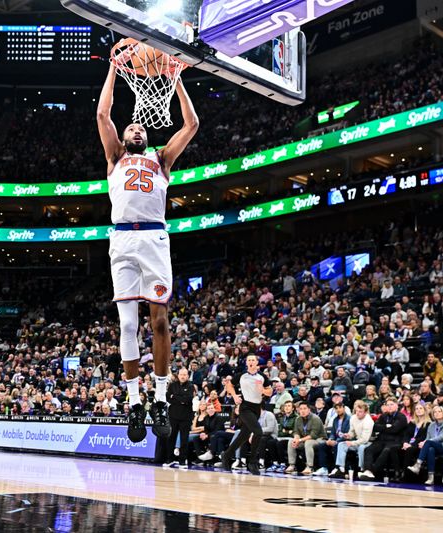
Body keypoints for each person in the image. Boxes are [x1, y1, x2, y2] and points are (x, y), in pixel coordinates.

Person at [97, 52, 199, 443]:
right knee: (126, 324)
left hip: (155, 237)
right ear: (123, 138)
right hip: (122, 238)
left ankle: (158, 396)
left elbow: (191, 124)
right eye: (131, 127)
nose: (137, 129)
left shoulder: (161, 159)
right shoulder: (114, 159)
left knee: (159, 321)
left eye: (141, 127)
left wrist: (175, 79)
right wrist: (113, 67)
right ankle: (134, 401)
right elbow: (103, 115)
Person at [220, 355, 272, 475]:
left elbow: (269, 392)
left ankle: (226, 455)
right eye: (249, 360)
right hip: (245, 407)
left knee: (243, 436)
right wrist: (234, 396)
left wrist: (263, 390)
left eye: (253, 360)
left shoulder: (262, 376)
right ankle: (252, 462)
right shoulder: (241, 375)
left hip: (257, 408)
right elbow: (229, 385)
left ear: (257, 362)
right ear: (247, 363)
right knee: (258, 432)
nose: (251, 362)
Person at [358, 397, 408, 481]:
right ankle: (367, 471)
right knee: (368, 449)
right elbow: (375, 427)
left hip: (395, 441)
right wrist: (386, 426)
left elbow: (394, 429)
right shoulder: (383, 416)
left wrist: (385, 428)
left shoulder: (402, 417)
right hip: (382, 440)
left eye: (392, 404)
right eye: (387, 405)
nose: (389, 407)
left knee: (386, 450)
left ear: (397, 406)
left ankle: (372, 471)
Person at [407, 405, 443, 484]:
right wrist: (424, 442)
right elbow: (427, 437)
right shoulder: (431, 425)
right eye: (434, 412)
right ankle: (431, 477)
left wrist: (426, 442)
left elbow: (441, 438)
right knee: (430, 449)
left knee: (429, 443)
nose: (437, 413)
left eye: (439, 411)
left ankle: (418, 464)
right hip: (432, 446)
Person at [330, 400, 374, 479]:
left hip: (369, 442)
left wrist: (352, 443)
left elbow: (364, 439)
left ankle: (362, 469)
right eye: (356, 411)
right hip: (357, 441)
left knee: (362, 447)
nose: (357, 413)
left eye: (360, 411)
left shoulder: (368, 421)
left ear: (365, 412)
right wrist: (349, 435)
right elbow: (352, 432)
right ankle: (340, 468)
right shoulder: (353, 418)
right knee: (341, 445)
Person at [286, 402, 327, 476]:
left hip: (319, 439)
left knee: (308, 442)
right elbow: (296, 431)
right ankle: (292, 465)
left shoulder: (315, 418)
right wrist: (296, 438)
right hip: (305, 439)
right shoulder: (298, 419)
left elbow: (313, 435)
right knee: (291, 441)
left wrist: (300, 440)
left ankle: (310, 466)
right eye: (301, 409)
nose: (302, 411)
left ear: (309, 410)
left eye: (305, 409)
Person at [166, 367, 195, 468]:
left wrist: (175, 397)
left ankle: (182, 461)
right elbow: (168, 398)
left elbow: (187, 399)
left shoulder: (191, 386)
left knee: (184, 439)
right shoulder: (172, 385)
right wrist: (180, 399)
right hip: (173, 416)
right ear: (178, 375)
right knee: (171, 438)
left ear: (187, 376)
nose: (183, 376)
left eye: (185, 375)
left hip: (186, 417)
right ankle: (170, 459)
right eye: (181, 374)